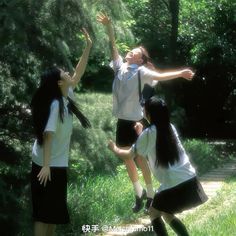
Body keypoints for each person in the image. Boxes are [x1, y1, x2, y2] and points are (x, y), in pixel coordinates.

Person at [97, 12, 195, 213]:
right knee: (127, 158)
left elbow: (161, 75)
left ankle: (151, 194)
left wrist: (182, 73)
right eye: (130, 51)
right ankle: (139, 192)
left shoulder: (142, 72)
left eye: (134, 52)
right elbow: (112, 45)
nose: (129, 53)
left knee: (141, 158)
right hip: (122, 121)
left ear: (140, 60)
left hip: (136, 120)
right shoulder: (119, 67)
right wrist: (109, 27)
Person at [108, 96, 208, 236]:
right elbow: (151, 142)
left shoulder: (148, 134)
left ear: (149, 114)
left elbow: (129, 155)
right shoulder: (169, 127)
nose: (142, 110)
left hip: (174, 185)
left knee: (154, 213)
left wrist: (113, 148)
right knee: (167, 214)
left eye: (144, 109)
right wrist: (140, 134)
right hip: (190, 181)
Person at [30, 29, 92, 236]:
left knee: (53, 214)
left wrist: (88, 47)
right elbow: (48, 135)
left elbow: (78, 72)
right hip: (45, 165)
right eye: (64, 73)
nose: (68, 73)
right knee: (43, 214)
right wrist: (46, 166)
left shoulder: (66, 95)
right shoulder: (56, 104)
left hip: (56, 164)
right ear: (59, 82)